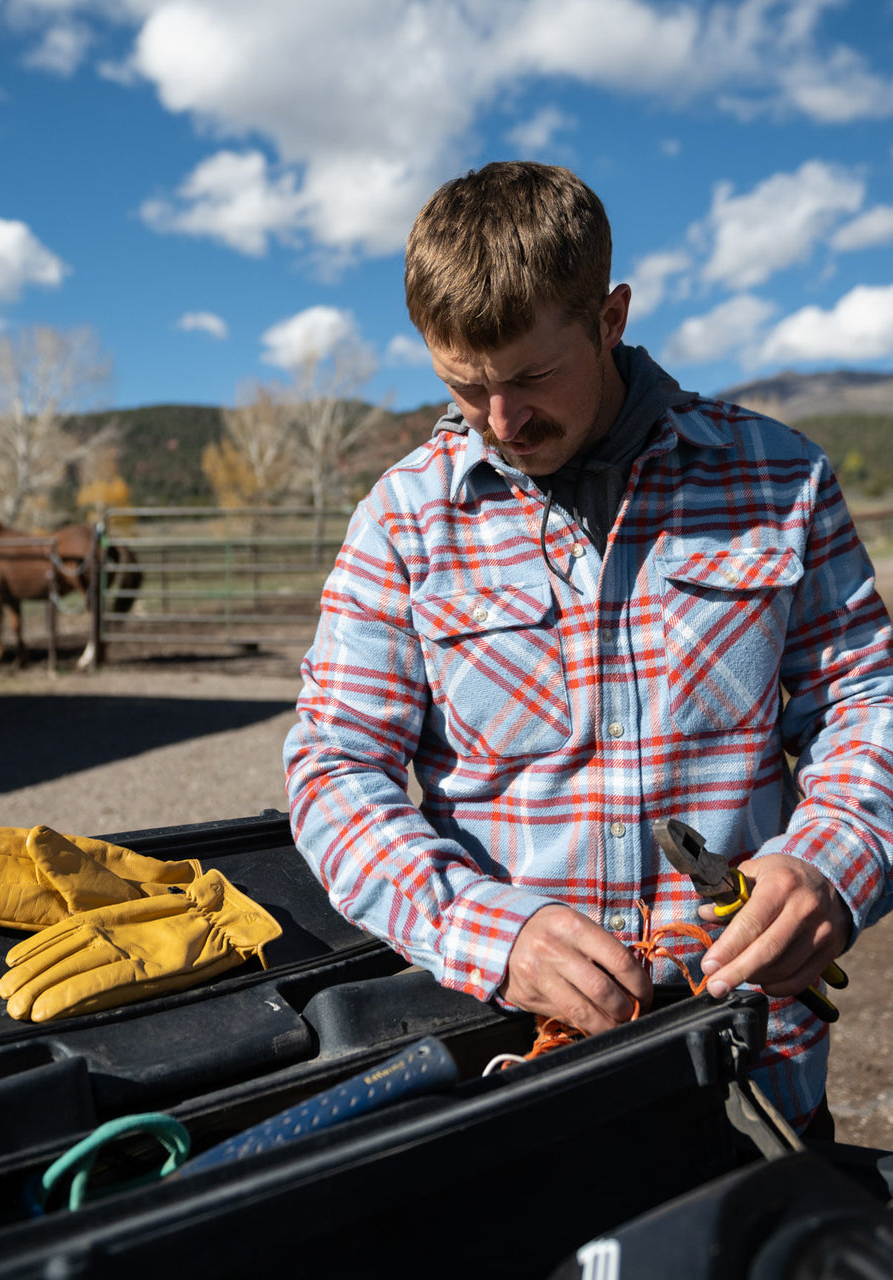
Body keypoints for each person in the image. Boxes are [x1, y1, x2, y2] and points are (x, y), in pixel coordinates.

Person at [283, 160, 893, 1133]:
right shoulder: (402, 518)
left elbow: (865, 709)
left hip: (752, 1058)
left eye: (529, 377)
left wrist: (832, 860)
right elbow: (332, 763)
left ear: (610, 317)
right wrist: (481, 928)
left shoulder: (780, 478)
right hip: (503, 1061)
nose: (502, 422)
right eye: (463, 385)